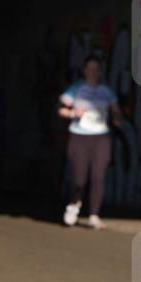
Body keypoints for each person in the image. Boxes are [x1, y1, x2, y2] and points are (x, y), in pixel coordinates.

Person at [58, 56, 122, 229]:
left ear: (100, 71)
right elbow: (61, 109)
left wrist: (117, 119)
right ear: (85, 70)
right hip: (79, 136)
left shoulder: (106, 91)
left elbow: (116, 111)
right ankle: (74, 203)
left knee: (98, 176)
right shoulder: (76, 89)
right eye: (90, 68)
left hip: (101, 137)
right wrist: (72, 114)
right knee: (79, 179)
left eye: (96, 69)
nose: (93, 72)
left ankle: (94, 214)